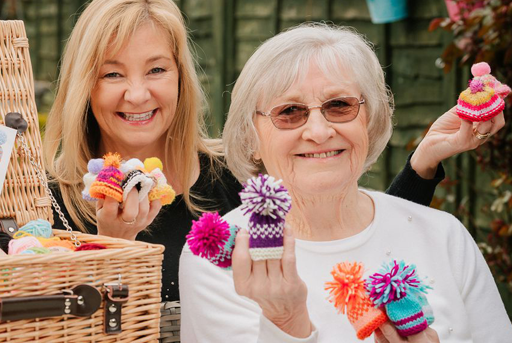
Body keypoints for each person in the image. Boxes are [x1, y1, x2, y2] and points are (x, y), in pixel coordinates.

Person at [42, 0, 503, 303]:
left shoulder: (239, 179)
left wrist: (423, 164)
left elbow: (350, 236)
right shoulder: (49, 207)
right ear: (84, 85)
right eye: (113, 74)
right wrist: (112, 246)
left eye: (157, 69)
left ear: (181, 77)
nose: (138, 94)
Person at [179, 23, 512, 342]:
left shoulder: (444, 235)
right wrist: (286, 322)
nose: (319, 131)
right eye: (290, 111)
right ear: (250, 137)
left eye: (339, 105)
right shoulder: (216, 263)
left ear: (370, 120)